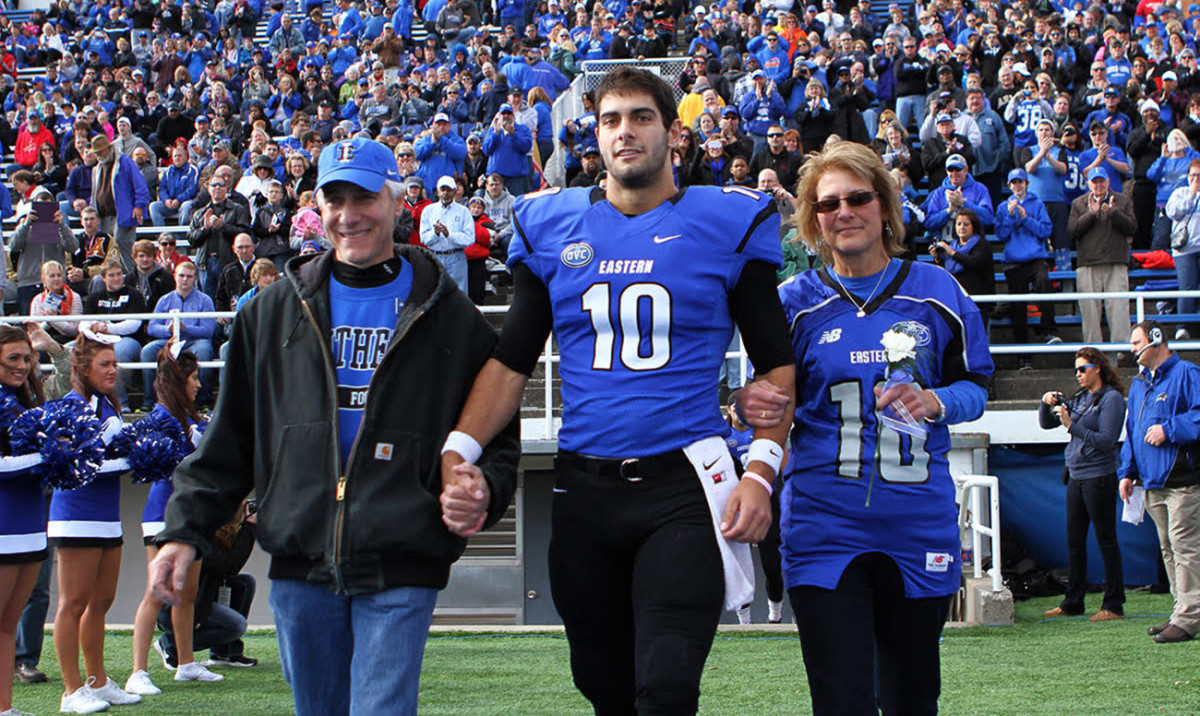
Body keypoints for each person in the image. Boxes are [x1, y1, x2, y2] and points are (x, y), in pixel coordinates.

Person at [440, 67, 794, 714]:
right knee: (602, 687)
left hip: (686, 485)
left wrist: (762, 470)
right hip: (585, 489)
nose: (624, 132)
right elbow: (512, 360)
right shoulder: (552, 223)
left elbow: (775, 362)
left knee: (665, 687)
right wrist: (458, 450)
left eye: (640, 117)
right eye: (610, 120)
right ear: (594, 134)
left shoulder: (725, 220)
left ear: (674, 133)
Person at [149, 136, 520, 716]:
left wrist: (486, 489)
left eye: (364, 198)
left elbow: (497, 433)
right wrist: (184, 532)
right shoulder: (270, 313)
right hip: (301, 556)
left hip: (403, 551)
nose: (349, 215)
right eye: (334, 200)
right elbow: (230, 440)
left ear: (397, 202)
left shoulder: (451, 314)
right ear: (316, 209)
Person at [738, 140, 992, 715]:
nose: (844, 212)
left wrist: (934, 399)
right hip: (824, 524)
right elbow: (766, 403)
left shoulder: (939, 291)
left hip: (916, 521)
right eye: (828, 204)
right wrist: (743, 406)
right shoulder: (791, 304)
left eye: (858, 198)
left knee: (913, 699)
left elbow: (978, 387)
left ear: (884, 206)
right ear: (812, 219)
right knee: (841, 700)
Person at [51, 336, 142, 714]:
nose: (113, 370)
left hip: (107, 515)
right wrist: (131, 463)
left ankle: (98, 681)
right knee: (73, 604)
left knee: (101, 602)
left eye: (114, 364)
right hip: (76, 515)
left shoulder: (108, 406)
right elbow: (75, 465)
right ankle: (71, 690)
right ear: (84, 370)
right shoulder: (72, 407)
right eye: (104, 364)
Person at [127, 345, 221, 697]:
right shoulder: (159, 418)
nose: (199, 384)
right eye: (194, 378)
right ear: (178, 381)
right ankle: (137, 671)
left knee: (187, 592)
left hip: (189, 515)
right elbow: (161, 466)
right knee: (157, 592)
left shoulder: (191, 419)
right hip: (162, 515)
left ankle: (185, 663)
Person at [1119, 321, 1200, 644]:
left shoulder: (1188, 374)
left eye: (1137, 342)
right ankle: (1181, 610)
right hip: (1152, 482)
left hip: (1182, 480)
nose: (1132, 348)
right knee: (1169, 549)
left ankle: (1189, 615)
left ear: (1156, 340)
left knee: (1184, 547)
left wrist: (1170, 428)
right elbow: (1133, 431)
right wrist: (1127, 472)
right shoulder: (1139, 385)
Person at [1040, 348, 1127, 622]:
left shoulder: (1112, 400)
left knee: (1106, 540)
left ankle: (1114, 604)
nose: (1077, 374)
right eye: (1076, 370)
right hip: (1077, 475)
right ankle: (1073, 601)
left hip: (1099, 475)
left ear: (1097, 368)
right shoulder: (1080, 398)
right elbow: (1045, 425)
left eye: (1082, 369)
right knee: (1074, 541)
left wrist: (1071, 426)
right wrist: (1045, 403)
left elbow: (1107, 440)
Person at [0, 325, 49, 716]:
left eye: (26, 357)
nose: (21, 365)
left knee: (7, 624)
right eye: (12, 358)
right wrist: (48, 457)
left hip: (32, 522)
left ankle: (5, 707)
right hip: (3, 523)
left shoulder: (28, 402)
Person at [1068, 167, 1136, 347]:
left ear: (1108, 181)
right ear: (1089, 183)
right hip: (1087, 263)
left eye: (1101, 181)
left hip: (1116, 260)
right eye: (1095, 181)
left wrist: (1114, 213)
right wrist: (1090, 214)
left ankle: (1122, 349)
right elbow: (1072, 231)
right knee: (1089, 310)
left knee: (1119, 308)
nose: (1098, 185)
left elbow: (1132, 227)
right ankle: (1093, 350)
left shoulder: (1121, 200)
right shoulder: (1078, 203)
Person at [996, 168, 1059, 354]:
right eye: (1013, 183)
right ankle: (1023, 353)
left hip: (1035, 258)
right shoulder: (1002, 207)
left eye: (1020, 182)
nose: (1017, 186)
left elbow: (1045, 231)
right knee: (1018, 306)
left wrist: (1025, 218)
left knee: (1044, 284)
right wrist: (1011, 216)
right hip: (1014, 261)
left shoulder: (1037, 204)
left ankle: (1048, 329)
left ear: (1027, 184)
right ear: (1009, 186)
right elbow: (1001, 235)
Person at [140, 261, 217, 410]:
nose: (185, 279)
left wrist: (185, 329)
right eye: (181, 275)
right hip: (168, 340)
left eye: (189, 276)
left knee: (204, 350)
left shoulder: (205, 300)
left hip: (194, 341)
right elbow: (152, 327)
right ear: (175, 276)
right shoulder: (164, 300)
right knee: (148, 351)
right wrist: (168, 330)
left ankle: (203, 401)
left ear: (195, 278)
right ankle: (150, 401)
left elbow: (208, 330)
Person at [81, 259, 146, 409]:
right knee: (71, 348)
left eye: (119, 274)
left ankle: (121, 404)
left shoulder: (134, 295)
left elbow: (133, 325)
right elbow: (82, 324)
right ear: (103, 278)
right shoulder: (95, 297)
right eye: (112, 275)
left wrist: (108, 329)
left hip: (128, 340)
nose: (117, 278)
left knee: (118, 352)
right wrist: (94, 327)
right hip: (98, 339)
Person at [89, 133, 149, 274]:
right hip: (103, 216)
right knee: (107, 251)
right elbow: (95, 192)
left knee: (123, 246)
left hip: (122, 214)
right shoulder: (97, 168)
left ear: (108, 148)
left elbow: (140, 185)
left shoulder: (124, 161)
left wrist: (139, 206)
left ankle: (134, 278)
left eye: (100, 152)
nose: (98, 155)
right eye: (96, 153)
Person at [930, 207, 994, 324]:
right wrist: (939, 257)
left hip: (978, 302)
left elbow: (974, 262)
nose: (962, 227)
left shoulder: (982, 244)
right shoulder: (953, 245)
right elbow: (948, 270)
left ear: (973, 226)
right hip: (957, 302)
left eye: (966, 224)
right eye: (959, 224)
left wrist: (951, 253)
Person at [419, 175, 475, 291]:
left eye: (449, 190)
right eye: (442, 190)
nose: (445, 193)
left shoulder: (463, 211)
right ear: (438, 192)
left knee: (459, 294)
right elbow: (423, 238)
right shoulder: (428, 211)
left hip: (456, 257)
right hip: (435, 256)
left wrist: (449, 235)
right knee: (435, 293)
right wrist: (436, 233)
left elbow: (469, 238)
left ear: (454, 192)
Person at [1166, 160, 1200, 341]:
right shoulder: (1180, 193)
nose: (1195, 179)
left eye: (1199, 176)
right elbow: (1173, 212)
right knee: (1187, 287)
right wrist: (1192, 195)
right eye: (1192, 175)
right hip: (1184, 249)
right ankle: (1182, 326)